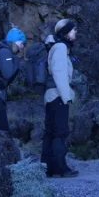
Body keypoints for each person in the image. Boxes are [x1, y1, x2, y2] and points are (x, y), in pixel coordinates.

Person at [42, 19, 79, 178]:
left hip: (52, 96)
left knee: (51, 132)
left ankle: (47, 167)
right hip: (58, 96)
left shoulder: (56, 46)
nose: (75, 32)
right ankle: (60, 167)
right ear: (65, 32)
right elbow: (59, 73)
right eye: (73, 30)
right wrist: (66, 97)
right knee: (60, 131)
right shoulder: (61, 47)